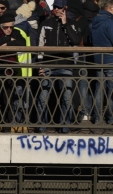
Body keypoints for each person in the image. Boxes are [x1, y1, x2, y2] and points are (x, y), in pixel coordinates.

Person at [37, 0, 82, 133]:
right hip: (48, 65)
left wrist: (65, 24)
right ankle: (41, 126)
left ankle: (64, 127)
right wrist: (39, 65)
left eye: (59, 7)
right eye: (55, 7)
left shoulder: (72, 24)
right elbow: (39, 46)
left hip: (65, 65)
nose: (57, 9)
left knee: (67, 98)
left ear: (65, 8)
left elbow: (75, 41)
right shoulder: (46, 23)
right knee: (43, 97)